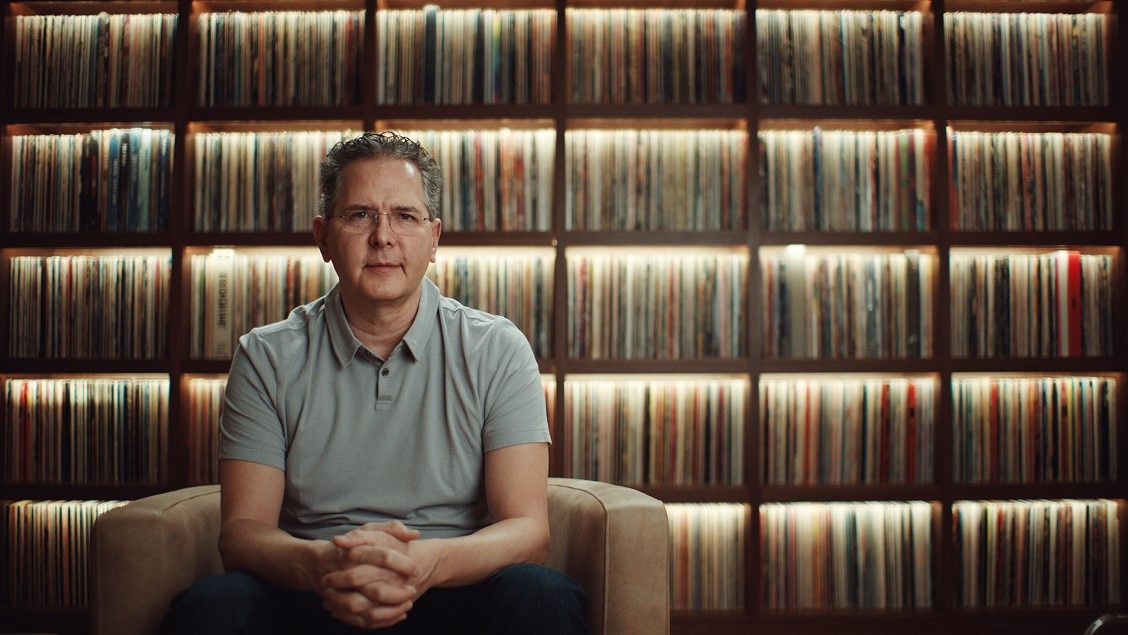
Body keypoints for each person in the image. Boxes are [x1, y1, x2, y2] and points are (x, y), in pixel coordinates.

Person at [161, 131, 588, 634]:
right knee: (215, 603)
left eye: (405, 216)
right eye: (360, 214)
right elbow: (241, 533)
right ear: (323, 237)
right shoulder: (266, 356)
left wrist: (424, 565)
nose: (383, 236)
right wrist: (324, 566)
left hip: (455, 586)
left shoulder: (497, 348)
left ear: (434, 239)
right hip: (315, 590)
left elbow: (528, 532)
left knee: (543, 595)